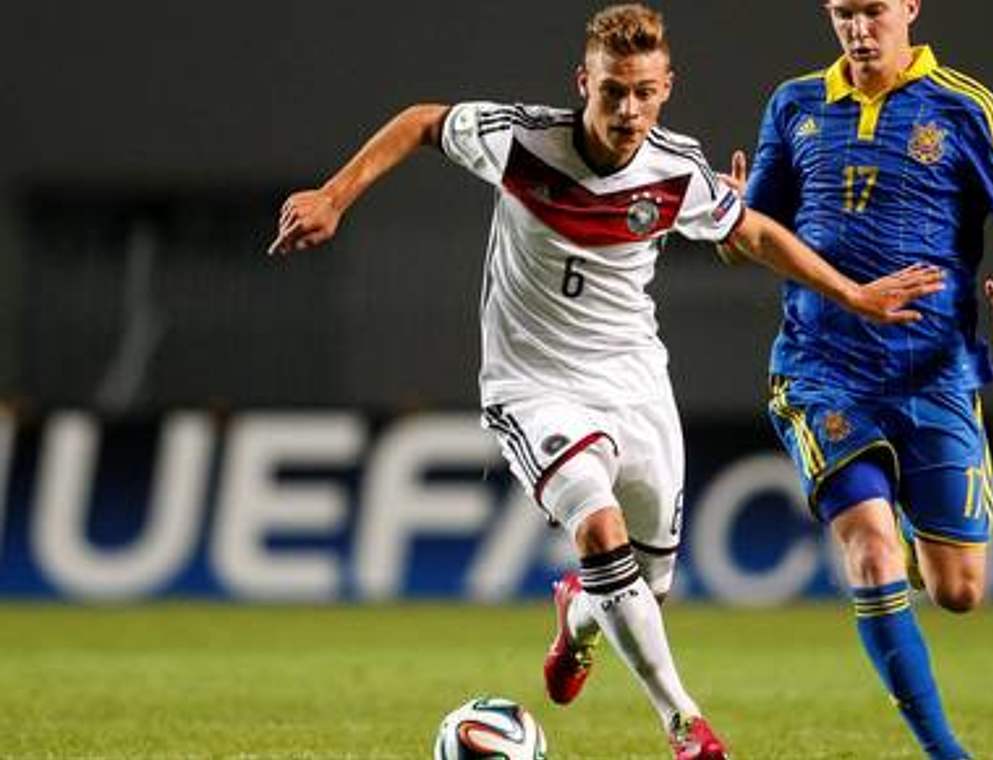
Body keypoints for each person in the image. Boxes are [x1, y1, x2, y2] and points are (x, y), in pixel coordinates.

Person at [268, 4, 944, 759]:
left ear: (666, 89)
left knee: (641, 591)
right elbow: (426, 120)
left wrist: (852, 294)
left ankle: (578, 614)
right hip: (532, 384)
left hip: (634, 384)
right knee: (599, 529)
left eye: (644, 93)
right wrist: (334, 195)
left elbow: (749, 230)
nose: (628, 110)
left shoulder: (676, 170)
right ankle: (685, 723)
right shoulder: (523, 142)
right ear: (582, 82)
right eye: (612, 91)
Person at [720, 0, 993, 758]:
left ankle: (903, 516)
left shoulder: (968, 106)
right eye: (843, 12)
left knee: (959, 592)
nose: (858, 27)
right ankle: (945, 751)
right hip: (821, 367)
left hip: (934, 373)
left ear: (908, 7)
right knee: (871, 550)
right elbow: (752, 239)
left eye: (873, 10)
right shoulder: (795, 104)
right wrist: (732, 221)